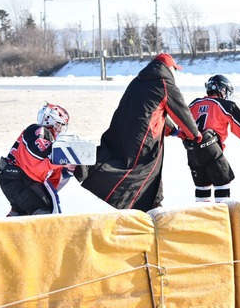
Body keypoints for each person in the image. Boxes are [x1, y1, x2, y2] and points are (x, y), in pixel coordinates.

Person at [75, 53, 202, 212]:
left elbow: (153, 111)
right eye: (175, 69)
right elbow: (182, 113)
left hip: (124, 130)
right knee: (141, 172)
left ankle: (152, 206)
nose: (175, 73)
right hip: (144, 138)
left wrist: (174, 131)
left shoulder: (138, 81)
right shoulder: (165, 84)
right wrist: (195, 135)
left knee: (123, 163)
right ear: (169, 68)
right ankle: (146, 210)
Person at [183, 74, 240, 202]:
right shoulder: (225, 105)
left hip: (192, 150)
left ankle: (201, 218)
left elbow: (181, 122)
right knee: (223, 181)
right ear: (223, 90)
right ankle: (221, 217)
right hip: (210, 147)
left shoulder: (194, 103)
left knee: (202, 187)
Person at [0, 103, 75, 216]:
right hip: (19, 180)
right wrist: (63, 157)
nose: (59, 129)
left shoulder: (48, 139)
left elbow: (51, 179)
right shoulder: (38, 130)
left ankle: (7, 231)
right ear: (48, 119)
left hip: (15, 179)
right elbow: (39, 153)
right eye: (58, 124)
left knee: (21, 214)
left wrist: (68, 167)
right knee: (43, 213)